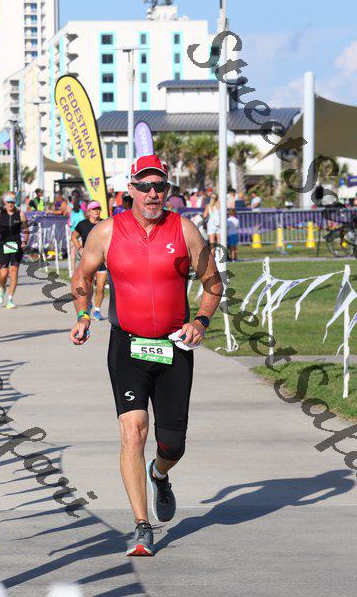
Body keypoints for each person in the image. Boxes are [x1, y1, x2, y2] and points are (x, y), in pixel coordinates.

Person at [69, 154, 223, 556]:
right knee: (133, 430)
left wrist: (201, 322)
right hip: (127, 346)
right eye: (145, 186)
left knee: (172, 445)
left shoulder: (185, 230)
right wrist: (83, 315)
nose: (153, 194)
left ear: (167, 191)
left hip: (174, 347)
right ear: (131, 190)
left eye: (160, 187)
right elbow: (82, 275)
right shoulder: (106, 231)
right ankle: (142, 526)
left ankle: (160, 473)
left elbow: (213, 283)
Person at [71, 201, 107, 321]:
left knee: (100, 287)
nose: (97, 211)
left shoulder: (104, 223)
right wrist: (79, 248)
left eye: (98, 209)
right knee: (89, 287)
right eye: (94, 209)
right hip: (88, 260)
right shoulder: (82, 224)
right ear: (89, 211)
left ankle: (97, 310)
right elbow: (73, 236)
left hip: (102, 260)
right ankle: (89, 303)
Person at [0, 193, 29, 309]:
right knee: (3, 273)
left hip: (16, 245)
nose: (10, 204)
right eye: (8, 202)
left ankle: (10, 299)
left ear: (15, 203)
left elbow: (26, 229)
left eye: (12, 202)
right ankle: (2, 288)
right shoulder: (0, 214)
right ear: (5, 203)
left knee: (13, 271)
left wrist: (24, 242)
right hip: (2, 245)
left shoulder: (20, 214)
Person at [68, 194, 85, 272]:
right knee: (81, 250)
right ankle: (82, 268)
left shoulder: (71, 210)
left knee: (73, 251)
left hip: (73, 232)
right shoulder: (82, 211)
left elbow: (70, 222)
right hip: (81, 232)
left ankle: (72, 269)